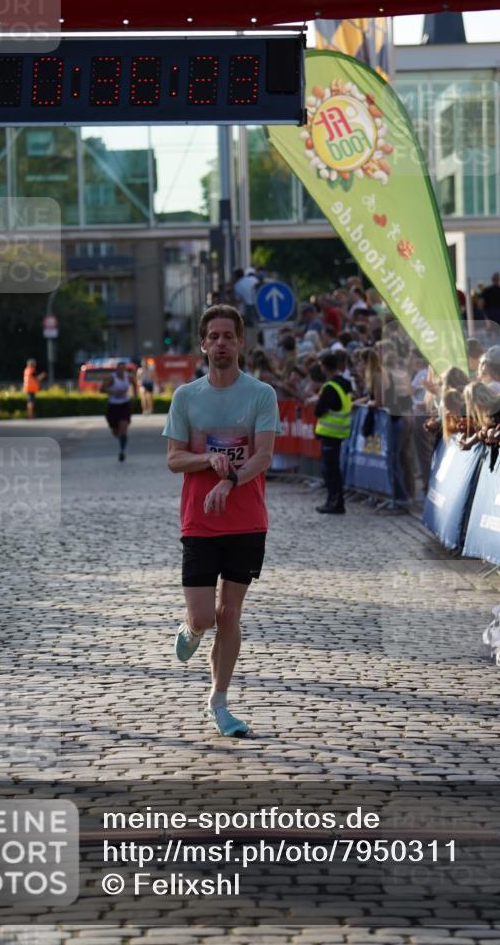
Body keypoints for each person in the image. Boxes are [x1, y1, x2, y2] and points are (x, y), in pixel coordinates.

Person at [163, 305, 280, 739]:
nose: (221, 343)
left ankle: (219, 700)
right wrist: (205, 460)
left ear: (241, 342)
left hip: (247, 521)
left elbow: (263, 456)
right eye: (213, 336)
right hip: (199, 522)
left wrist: (228, 480)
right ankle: (190, 628)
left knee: (229, 614)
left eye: (228, 335)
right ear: (202, 344)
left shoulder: (260, 395)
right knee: (204, 617)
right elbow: (174, 459)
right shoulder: (186, 398)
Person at [313, 352, 352, 514]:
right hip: (341, 432)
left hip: (330, 433)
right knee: (334, 469)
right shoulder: (345, 383)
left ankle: (334, 502)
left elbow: (318, 411)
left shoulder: (329, 387)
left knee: (330, 470)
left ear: (325, 367)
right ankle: (336, 501)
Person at [100, 361, 136, 462]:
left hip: (124, 405)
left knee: (123, 427)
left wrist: (135, 396)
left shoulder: (128, 377)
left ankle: (122, 451)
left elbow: (134, 384)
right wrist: (113, 391)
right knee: (115, 431)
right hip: (113, 406)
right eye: (119, 368)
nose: (121, 370)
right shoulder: (111, 378)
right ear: (116, 369)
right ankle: (121, 438)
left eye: (123, 368)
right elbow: (101, 389)